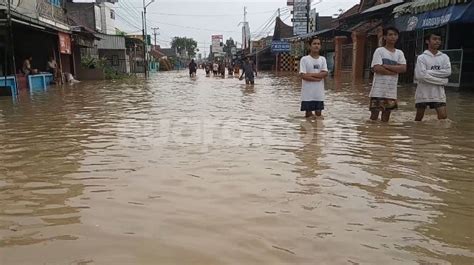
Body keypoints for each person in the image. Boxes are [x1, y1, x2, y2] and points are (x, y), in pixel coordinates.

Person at [369, 26, 407, 122]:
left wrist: (386, 66)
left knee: (386, 118)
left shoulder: (399, 53)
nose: (393, 37)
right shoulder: (379, 51)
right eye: (390, 35)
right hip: (377, 90)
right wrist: (394, 71)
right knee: (374, 116)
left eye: (395, 35)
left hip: (391, 91)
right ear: (385, 37)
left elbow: (403, 68)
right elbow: (376, 68)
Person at [414, 32, 451, 121]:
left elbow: (447, 72)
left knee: (443, 117)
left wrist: (427, 72)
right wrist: (442, 81)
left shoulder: (444, 57)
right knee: (419, 118)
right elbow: (420, 76)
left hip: (438, 92)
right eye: (434, 39)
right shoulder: (421, 57)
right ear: (427, 41)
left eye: (439, 39)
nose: (437, 41)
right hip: (423, 91)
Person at [299, 37, 329, 118]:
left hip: (319, 94)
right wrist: (317, 78)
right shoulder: (304, 59)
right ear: (310, 46)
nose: (317, 46)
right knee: (308, 116)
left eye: (318, 44)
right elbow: (303, 75)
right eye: (314, 44)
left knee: (319, 115)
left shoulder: (323, 59)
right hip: (307, 94)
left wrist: (310, 74)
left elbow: (325, 73)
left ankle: (317, 130)